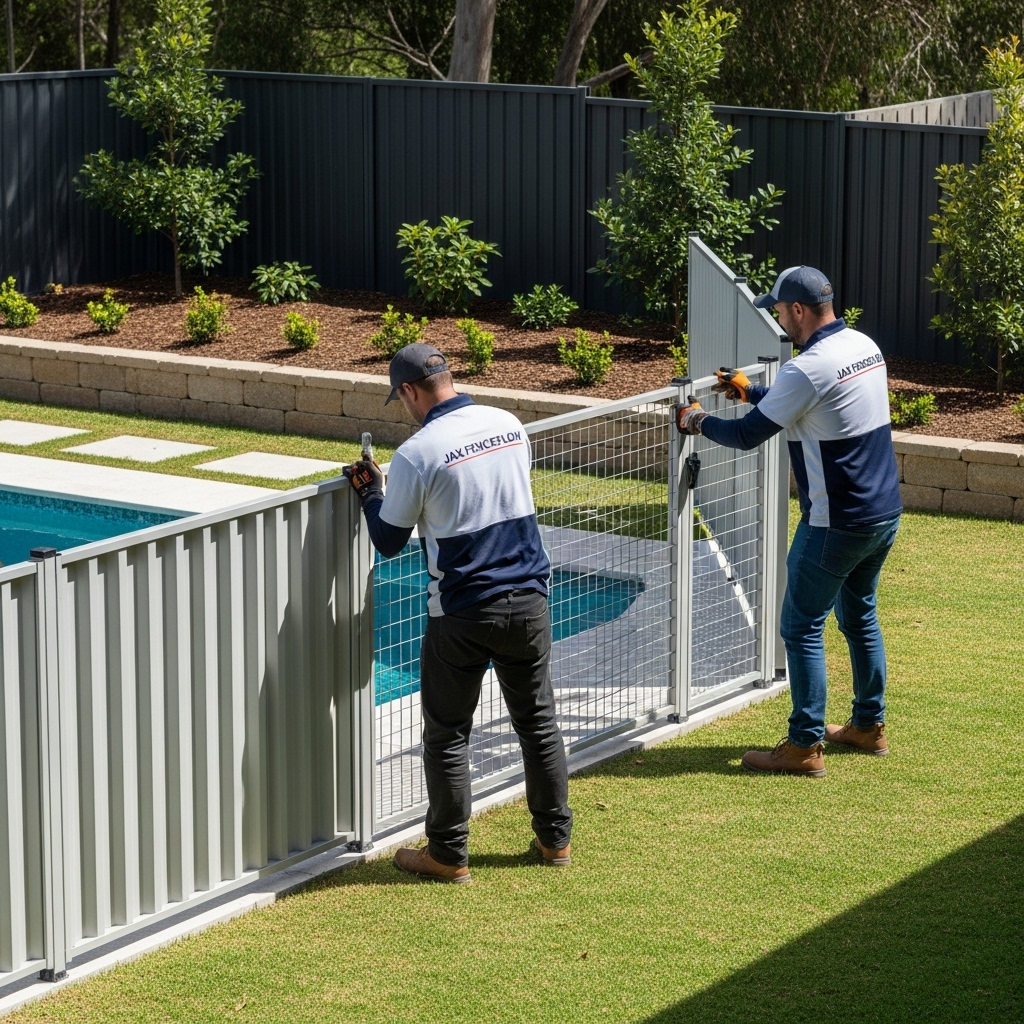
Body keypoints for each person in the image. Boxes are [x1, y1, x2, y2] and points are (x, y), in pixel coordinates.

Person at [344, 343, 572, 881]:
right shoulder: (508, 423)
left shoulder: (417, 454)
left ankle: (447, 854)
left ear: (408, 391)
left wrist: (371, 493)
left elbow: (389, 541)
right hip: (531, 600)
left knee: (447, 733)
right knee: (538, 723)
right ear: (448, 376)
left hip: (464, 612)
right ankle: (555, 842)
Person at [679, 266, 902, 777]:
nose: (777, 317)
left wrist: (695, 420)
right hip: (882, 513)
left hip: (834, 522)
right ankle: (868, 726)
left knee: (800, 626)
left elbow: (746, 438)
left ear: (798, 310)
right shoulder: (862, 346)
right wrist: (750, 392)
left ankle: (803, 746)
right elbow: (813, 405)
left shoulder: (809, 368)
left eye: (778, 309)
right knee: (859, 615)